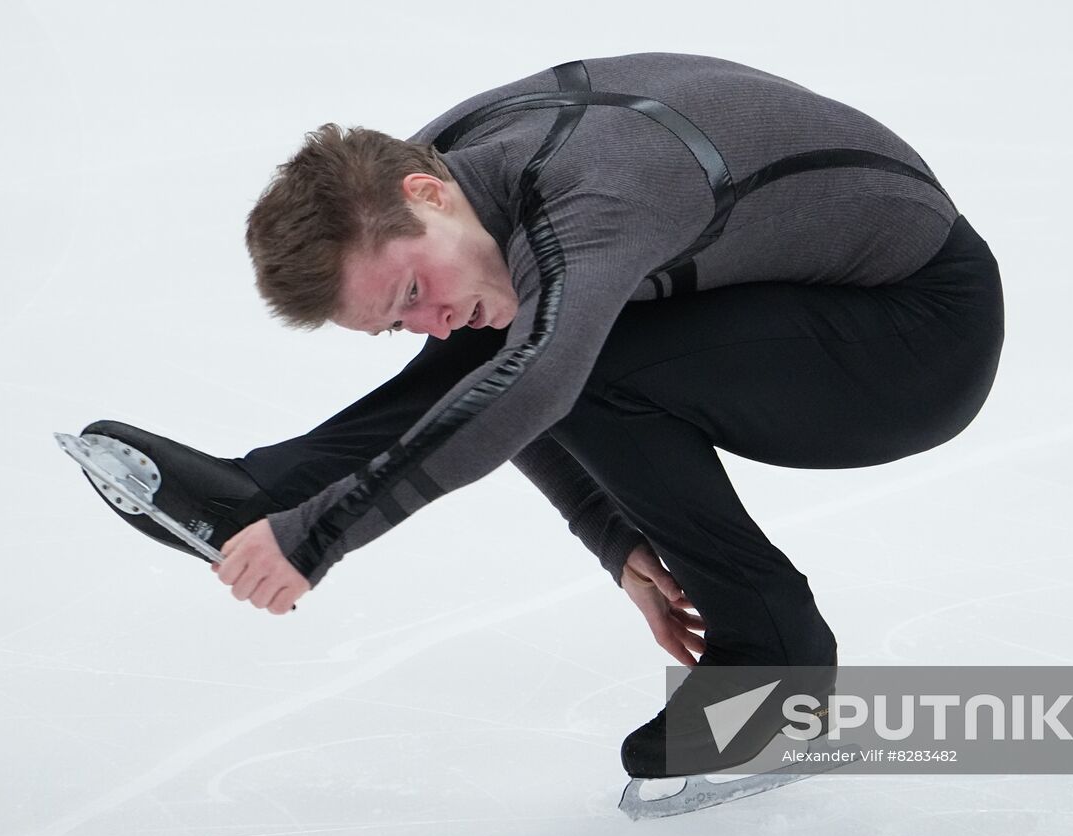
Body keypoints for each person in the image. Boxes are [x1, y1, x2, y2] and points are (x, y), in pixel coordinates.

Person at [79, 52, 1004, 778]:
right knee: (507, 319)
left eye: (409, 293)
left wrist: (319, 536)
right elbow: (503, 366)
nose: (423, 326)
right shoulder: (442, 175)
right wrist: (613, 529)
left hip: (915, 339)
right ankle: (261, 486)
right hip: (783, 297)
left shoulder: (601, 189)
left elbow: (543, 381)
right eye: (391, 323)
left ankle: (776, 667)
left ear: (427, 194)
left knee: (559, 344)